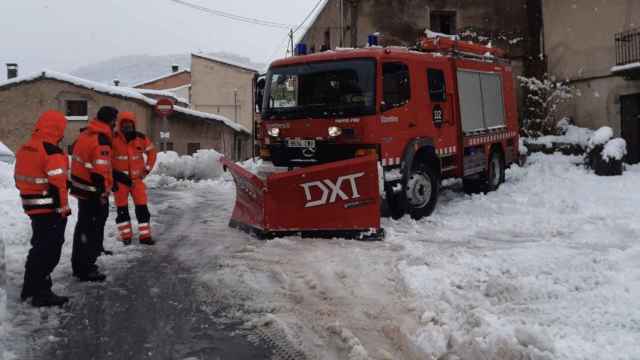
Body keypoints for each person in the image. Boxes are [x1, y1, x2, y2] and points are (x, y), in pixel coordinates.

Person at [15, 110, 71, 307]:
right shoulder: (51, 150)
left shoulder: (26, 147)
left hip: (32, 206)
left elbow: (21, 177)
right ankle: (41, 292)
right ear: (57, 129)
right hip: (50, 209)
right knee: (49, 251)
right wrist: (63, 210)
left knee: (38, 247)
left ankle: (29, 287)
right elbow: (58, 184)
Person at [70, 106, 117, 282]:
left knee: (84, 227)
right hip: (93, 192)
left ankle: (86, 259)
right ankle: (85, 267)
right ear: (111, 120)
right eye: (115, 120)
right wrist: (103, 192)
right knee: (90, 229)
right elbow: (100, 169)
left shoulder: (86, 134)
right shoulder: (101, 139)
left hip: (83, 188)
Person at [112, 112, 157, 245]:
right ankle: (126, 236)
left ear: (133, 124)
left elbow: (152, 153)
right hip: (120, 181)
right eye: (124, 125)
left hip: (137, 180)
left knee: (142, 208)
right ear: (120, 125)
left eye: (129, 124)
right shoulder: (112, 139)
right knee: (122, 209)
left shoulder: (141, 138)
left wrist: (147, 169)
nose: (127, 127)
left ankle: (145, 236)